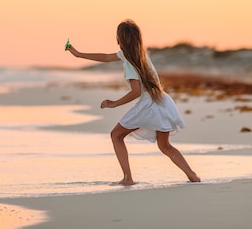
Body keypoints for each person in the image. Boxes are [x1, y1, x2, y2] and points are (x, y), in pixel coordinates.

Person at [66, 20, 201, 185]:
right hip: (163, 101)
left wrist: (113, 103)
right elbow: (107, 57)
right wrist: (78, 54)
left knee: (116, 135)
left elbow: (136, 92)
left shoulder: (129, 63)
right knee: (165, 146)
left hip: (149, 105)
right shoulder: (140, 54)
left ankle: (127, 178)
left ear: (119, 40)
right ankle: (192, 176)